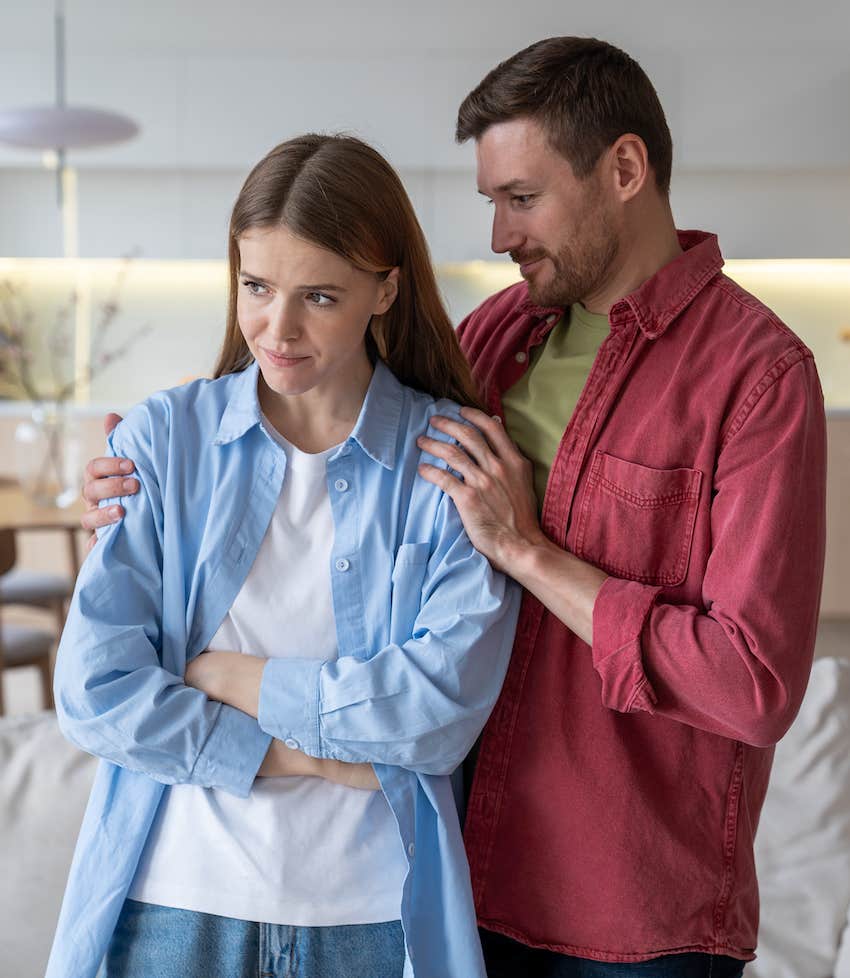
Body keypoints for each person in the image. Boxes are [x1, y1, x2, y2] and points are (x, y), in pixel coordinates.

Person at [82, 36, 828, 978]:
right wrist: (139, 469)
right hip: (460, 879)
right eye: (491, 202)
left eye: (522, 199)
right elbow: (308, 398)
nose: (499, 234)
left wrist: (528, 553)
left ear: (626, 169)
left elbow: (752, 687)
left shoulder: (757, 378)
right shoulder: (496, 340)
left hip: (637, 912)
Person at [49, 133, 520, 978]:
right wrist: (306, 756)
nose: (278, 328)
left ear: (385, 289)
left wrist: (228, 677)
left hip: (374, 917)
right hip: (176, 902)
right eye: (256, 287)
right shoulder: (163, 438)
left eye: (320, 297)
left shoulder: (452, 459)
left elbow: (440, 709)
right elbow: (94, 689)